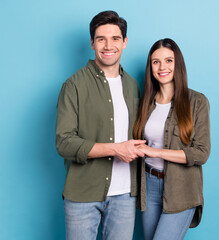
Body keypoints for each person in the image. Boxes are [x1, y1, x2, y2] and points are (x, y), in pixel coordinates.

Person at [55, 10, 145, 240]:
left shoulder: (132, 85)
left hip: (125, 195)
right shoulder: (73, 85)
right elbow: (64, 142)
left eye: (115, 38)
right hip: (82, 195)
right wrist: (116, 149)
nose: (108, 45)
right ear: (92, 43)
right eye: (101, 39)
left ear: (124, 42)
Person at [133, 38, 211, 240]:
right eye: (156, 62)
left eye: (169, 60)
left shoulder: (197, 101)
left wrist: (155, 152)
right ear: (150, 67)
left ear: (178, 64)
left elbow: (201, 153)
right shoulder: (145, 103)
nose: (162, 67)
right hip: (148, 186)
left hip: (181, 188)